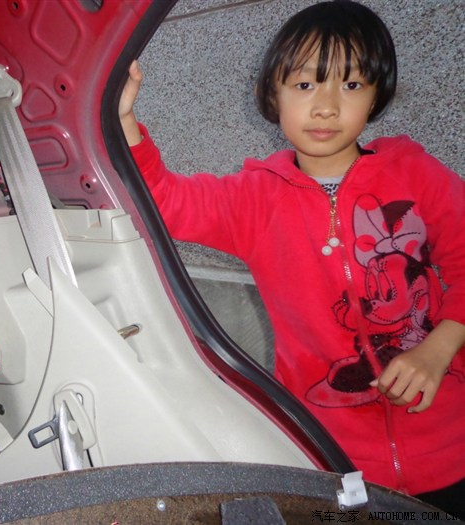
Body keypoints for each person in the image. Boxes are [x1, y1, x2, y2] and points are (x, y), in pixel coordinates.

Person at [119, 0, 465, 514]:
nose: (326, 106)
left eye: (351, 84)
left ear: (376, 96)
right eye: (304, 85)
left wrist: (438, 349)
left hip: (451, 443)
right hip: (331, 457)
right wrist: (123, 116)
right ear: (272, 95)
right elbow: (164, 202)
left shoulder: (416, 174)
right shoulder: (254, 199)